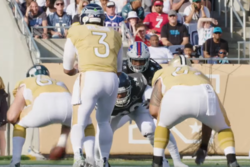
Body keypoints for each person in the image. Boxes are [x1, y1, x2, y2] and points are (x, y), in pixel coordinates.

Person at [150, 55, 240, 167]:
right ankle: (232, 160)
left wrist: (167, 120)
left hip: (175, 93)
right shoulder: (199, 73)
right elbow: (208, 120)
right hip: (204, 91)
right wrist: (204, 146)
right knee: (223, 128)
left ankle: (157, 162)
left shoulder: (164, 72)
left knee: (162, 125)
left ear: (171, 65)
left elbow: (153, 111)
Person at [63, 4, 123, 167]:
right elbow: (119, 69)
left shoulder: (76, 31)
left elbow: (67, 68)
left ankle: (78, 157)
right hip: (111, 79)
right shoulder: (115, 34)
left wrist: (75, 70)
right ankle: (103, 159)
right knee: (104, 122)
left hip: (89, 77)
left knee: (79, 121)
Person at [123, 42, 188, 167]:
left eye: (141, 61)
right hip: (120, 106)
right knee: (105, 126)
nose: (137, 64)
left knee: (156, 128)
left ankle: (169, 160)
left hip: (141, 105)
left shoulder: (154, 69)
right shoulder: (121, 67)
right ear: (129, 58)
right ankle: (98, 159)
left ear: (147, 59)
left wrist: (154, 100)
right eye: (135, 61)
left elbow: (165, 88)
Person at [7, 65, 72, 167]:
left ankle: (15, 161)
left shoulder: (25, 83)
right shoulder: (59, 82)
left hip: (41, 105)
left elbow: (11, 116)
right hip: (68, 107)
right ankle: (65, 145)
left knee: (18, 122)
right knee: (74, 121)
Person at [0, 77, 8, 156]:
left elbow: (4, 108)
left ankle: (2, 155)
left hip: (1, 120)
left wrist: (3, 120)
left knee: (1, 137)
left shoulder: (2, 94)